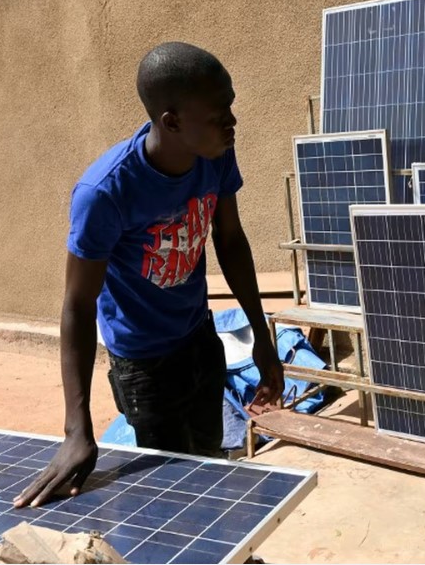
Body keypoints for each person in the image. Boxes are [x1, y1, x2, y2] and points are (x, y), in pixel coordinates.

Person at [14, 42, 284, 509]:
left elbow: (231, 240)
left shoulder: (215, 154)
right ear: (172, 122)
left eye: (231, 106)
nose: (233, 122)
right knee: (171, 501)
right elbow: (77, 307)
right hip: (144, 364)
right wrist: (75, 430)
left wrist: (263, 337)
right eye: (219, 112)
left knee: (209, 466)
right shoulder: (105, 193)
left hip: (199, 338)